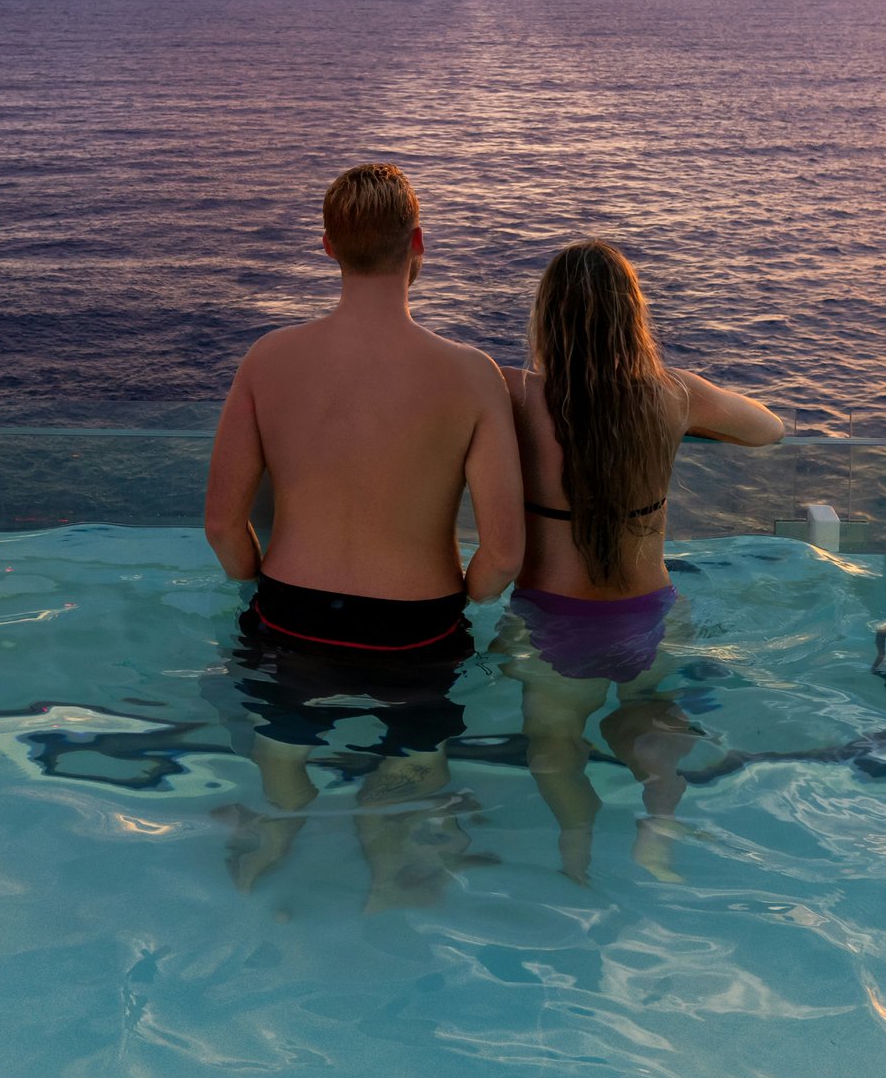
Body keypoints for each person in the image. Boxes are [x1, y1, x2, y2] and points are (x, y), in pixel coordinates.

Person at [203, 162, 525, 903]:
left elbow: (222, 522)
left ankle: (278, 827)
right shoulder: (471, 374)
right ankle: (389, 869)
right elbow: (503, 554)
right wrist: (459, 598)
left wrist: (256, 581)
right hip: (416, 629)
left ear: (327, 246)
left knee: (281, 759)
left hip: (289, 615)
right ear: (419, 242)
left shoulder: (268, 359)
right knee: (412, 776)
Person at [499, 240, 782, 882]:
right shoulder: (672, 395)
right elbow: (771, 430)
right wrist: (688, 421)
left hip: (552, 620)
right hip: (649, 615)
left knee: (554, 749)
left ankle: (576, 848)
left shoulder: (515, 393)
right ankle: (658, 817)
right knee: (652, 720)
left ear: (548, 317)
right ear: (634, 315)